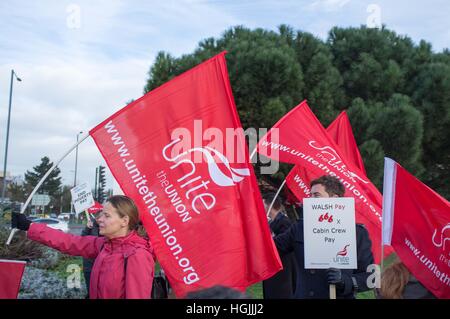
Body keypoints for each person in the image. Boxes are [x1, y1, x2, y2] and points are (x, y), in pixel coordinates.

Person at [12, 195, 155, 299]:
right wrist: (29, 226)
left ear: (124, 221)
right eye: (101, 215)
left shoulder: (137, 255)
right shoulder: (104, 245)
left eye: (106, 215)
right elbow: (68, 241)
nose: (99, 219)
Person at [274, 175, 375, 299]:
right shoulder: (300, 227)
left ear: (335, 199)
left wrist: (345, 281)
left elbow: (371, 278)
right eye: (310, 195)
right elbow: (272, 249)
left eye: (316, 195)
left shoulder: (357, 233)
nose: (310, 199)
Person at [262, 192, 298, 299]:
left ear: (270, 205)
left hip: (283, 273)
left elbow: (284, 246)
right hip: (272, 270)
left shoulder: (284, 222)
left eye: (262, 203)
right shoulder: (271, 222)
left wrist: (270, 236)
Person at [80, 213, 100, 298]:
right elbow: (82, 239)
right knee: (90, 288)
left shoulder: (107, 227)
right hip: (89, 264)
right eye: (98, 217)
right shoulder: (91, 225)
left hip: (100, 264)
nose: (100, 219)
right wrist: (87, 228)